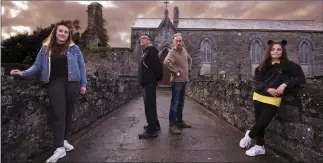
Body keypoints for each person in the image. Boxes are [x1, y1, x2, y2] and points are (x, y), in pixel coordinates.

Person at [10, 21, 87, 162]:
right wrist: (23, 73)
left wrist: (83, 83)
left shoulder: (74, 48)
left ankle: (63, 140)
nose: (63, 33)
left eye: (66, 32)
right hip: (54, 82)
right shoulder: (45, 48)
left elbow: (81, 66)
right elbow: (37, 65)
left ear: (68, 35)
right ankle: (59, 148)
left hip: (73, 83)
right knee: (58, 113)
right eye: (60, 31)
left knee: (69, 113)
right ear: (55, 33)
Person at [239, 40, 306, 156]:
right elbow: (256, 81)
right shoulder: (262, 65)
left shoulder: (289, 65)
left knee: (263, 122)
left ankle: (249, 135)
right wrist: (267, 89)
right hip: (259, 96)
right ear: (269, 51)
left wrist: (285, 84)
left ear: (283, 51)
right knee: (259, 122)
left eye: (278, 49)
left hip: (274, 98)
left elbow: (300, 78)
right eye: (273, 49)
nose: (275, 51)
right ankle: (260, 147)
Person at [164, 33, 192, 135]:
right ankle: (172, 125)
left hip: (184, 80)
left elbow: (190, 59)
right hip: (177, 82)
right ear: (174, 42)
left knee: (181, 103)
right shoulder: (172, 52)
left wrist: (188, 69)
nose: (179, 43)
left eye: (180, 41)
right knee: (175, 103)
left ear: (182, 41)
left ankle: (179, 121)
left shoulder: (184, 50)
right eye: (177, 41)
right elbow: (166, 62)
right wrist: (176, 72)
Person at [137, 33, 163, 139]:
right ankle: (155, 125)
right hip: (147, 82)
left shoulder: (151, 51)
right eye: (141, 38)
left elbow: (158, 67)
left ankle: (151, 131)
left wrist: (154, 79)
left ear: (149, 40)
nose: (141, 40)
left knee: (149, 106)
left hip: (149, 82)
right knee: (150, 105)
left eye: (144, 38)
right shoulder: (146, 51)